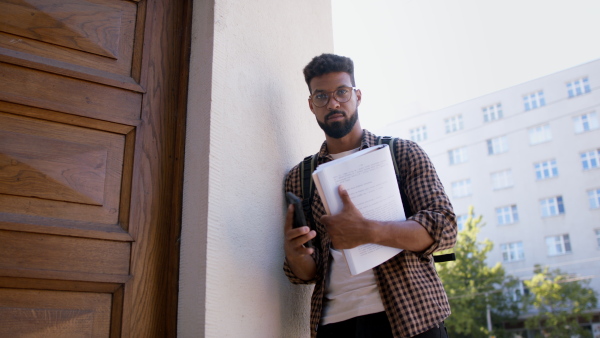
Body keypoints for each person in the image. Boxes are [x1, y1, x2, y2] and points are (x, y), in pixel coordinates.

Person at [283, 53, 457, 338]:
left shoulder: (402, 153)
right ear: (311, 105)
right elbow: (306, 273)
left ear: (358, 95)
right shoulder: (299, 177)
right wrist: (295, 255)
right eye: (321, 96)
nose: (334, 103)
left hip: (413, 317)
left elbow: (444, 227)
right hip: (335, 326)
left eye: (342, 92)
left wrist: (367, 231)